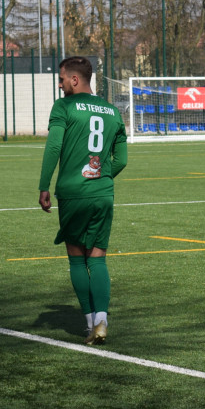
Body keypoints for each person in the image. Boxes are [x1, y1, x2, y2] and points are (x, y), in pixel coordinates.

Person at [39, 56, 128, 344]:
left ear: (75, 80)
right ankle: (102, 321)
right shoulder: (113, 111)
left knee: (77, 261)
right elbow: (122, 159)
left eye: (62, 78)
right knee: (98, 259)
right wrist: (101, 176)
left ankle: (90, 323)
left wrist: (44, 186)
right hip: (103, 193)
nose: (60, 83)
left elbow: (53, 147)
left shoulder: (63, 106)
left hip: (73, 193)